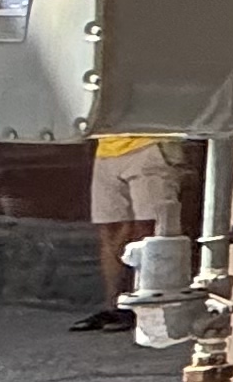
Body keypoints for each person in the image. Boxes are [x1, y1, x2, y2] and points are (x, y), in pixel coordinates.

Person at [76, 133, 183, 331]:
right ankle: (115, 306)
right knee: (111, 230)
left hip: (150, 144)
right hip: (106, 148)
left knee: (151, 231)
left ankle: (147, 305)